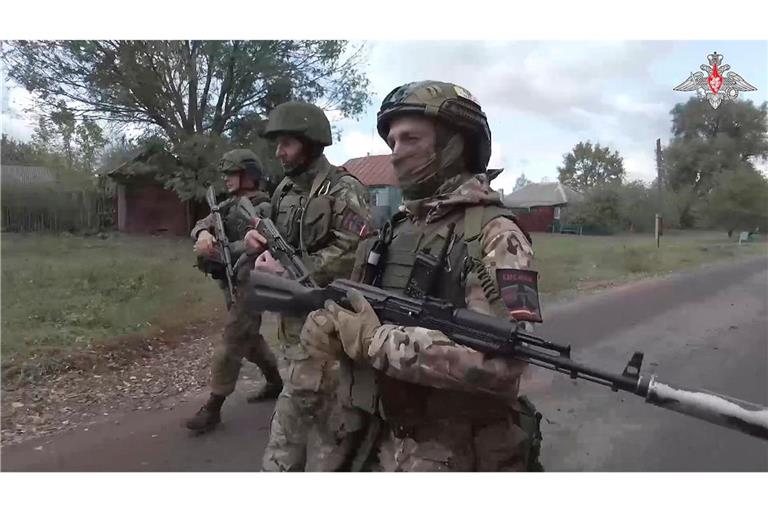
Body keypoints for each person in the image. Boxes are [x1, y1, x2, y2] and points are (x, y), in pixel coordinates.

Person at [300, 81, 544, 471]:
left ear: (455, 145)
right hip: (378, 431)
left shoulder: (494, 234)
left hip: (454, 450)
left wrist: (376, 342)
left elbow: (502, 364)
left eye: (410, 139)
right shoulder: (397, 228)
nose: (395, 154)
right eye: (392, 141)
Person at [243, 101, 372, 470]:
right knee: (309, 419)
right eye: (278, 144)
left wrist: (301, 272)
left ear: (312, 143)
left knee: (319, 434)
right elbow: (277, 236)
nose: (279, 152)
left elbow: (355, 248)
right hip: (290, 326)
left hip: (330, 329)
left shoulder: (343, 189)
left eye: (288, 143)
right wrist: (258, 243)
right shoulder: (284, 189)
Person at [185, 149, 283, 433]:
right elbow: (206, 223)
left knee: (232, 340)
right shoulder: (226, 204)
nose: (226, 178)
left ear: (249, 175)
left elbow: (263, 243)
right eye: (225, 173)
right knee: (248, 338)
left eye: (232, 173)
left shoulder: (261, 207)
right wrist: (203, 234)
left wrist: (226, 249)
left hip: (252, 281)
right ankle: (276, 382)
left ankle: (213, 408)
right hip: (230, 280)